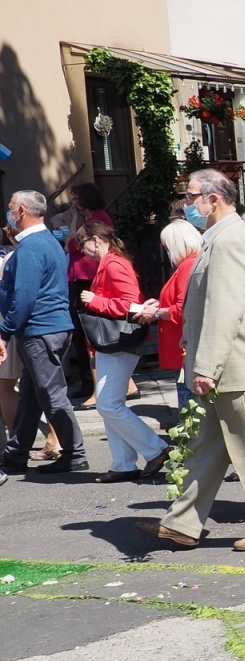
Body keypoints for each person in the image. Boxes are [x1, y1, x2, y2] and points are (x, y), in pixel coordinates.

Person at [135, 170, 245, 551]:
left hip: (233, 366)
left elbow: (225, 308)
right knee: (204, 446)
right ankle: (183, 523)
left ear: (214, 199)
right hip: (225, 365)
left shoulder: (228, 240)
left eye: (192, 197)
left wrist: (206, 365)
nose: (187, 204)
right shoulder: (221, 236)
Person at [0, 190, 88, 475]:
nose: (9, 212)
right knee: (32, 393)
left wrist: (4, 332)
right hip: (53, 327)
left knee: (50, 394)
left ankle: (75, 453)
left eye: (12, 208)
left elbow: (24, 296)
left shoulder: (31, 248)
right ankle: (16, 454)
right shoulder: (48, 241)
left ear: (22, 211)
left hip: (40, 330)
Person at [75, 220, 170, 483]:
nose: (81, 252)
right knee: (109, 404)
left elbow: (132, 305)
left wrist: (97, 301)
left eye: (82, 245)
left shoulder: (114, 264)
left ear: (95, 240)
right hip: (116, 343)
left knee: (107, 404)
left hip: (120, 343)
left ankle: (156, 449)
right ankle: (123, 463)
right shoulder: (111, 262)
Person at [60, 183, 113, 400]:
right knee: (82, 332)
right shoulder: (92, 218)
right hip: (80, 277)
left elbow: (71, 244)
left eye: (75, 199)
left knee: (87, 330)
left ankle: (92, 383)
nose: (73, 204)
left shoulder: (96, 220)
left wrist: (73, 220)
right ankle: (88, 381)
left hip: (88, 278)